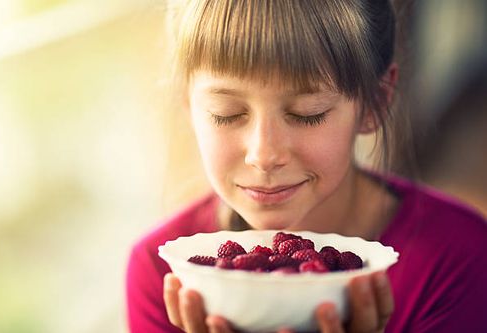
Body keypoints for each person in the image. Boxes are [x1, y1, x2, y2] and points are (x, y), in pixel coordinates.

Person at [126, 1, 487, 332]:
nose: (264, 155)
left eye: (306, 114)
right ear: (190, 108)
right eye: (227, 114)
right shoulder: (163, 275)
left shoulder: (459, 258)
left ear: (374, 103)